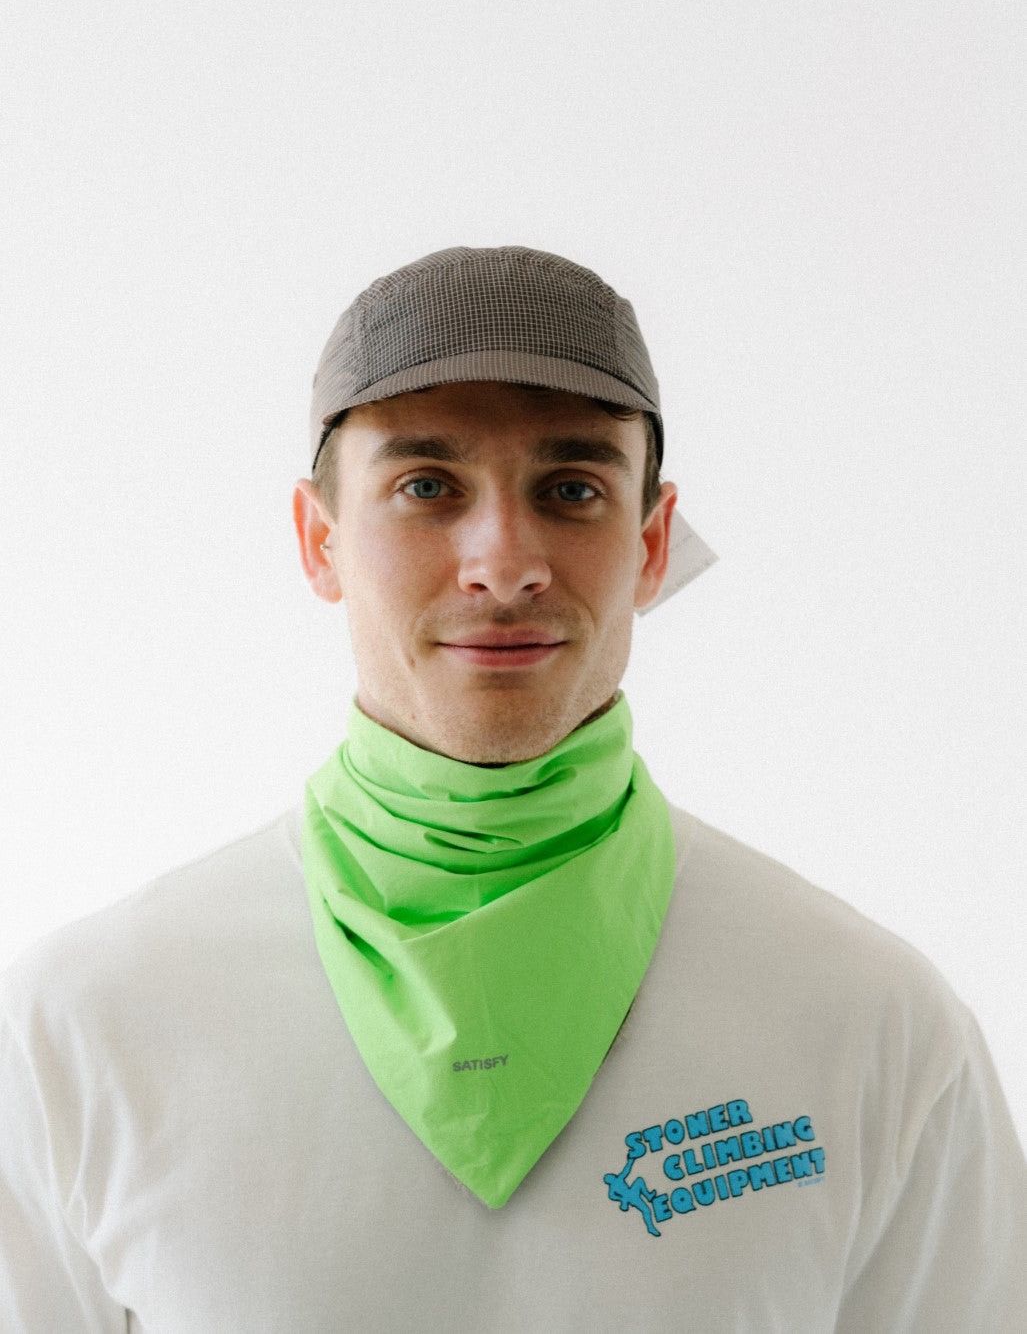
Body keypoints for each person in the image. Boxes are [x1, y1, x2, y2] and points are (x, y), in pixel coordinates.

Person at [0, 244, 1023, 1331]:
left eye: (571, 489)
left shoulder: (870, 1025)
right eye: (425, 487)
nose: (502, 562)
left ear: (650, 542)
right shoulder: (83, 1028)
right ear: (319, 539)